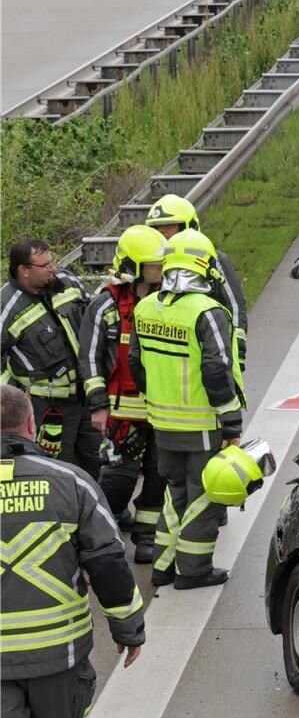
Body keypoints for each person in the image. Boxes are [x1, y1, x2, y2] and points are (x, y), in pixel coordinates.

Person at [0, 383, 146, 718]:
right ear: (31, 425)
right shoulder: (72, 482)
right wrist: (129, 628)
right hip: (57, 653)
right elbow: (107, 559)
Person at [131, 229, 245, 590]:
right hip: (202, 424)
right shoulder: (208, 311)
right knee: (204, 497)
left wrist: (158, 399)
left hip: (162, 423)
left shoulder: (145, 307)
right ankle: (193, 571)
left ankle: (163, 568)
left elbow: (137, 363)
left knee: (174, 492)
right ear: (205, 266)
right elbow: (217, 369)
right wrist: (231, 423)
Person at [83, 227, 168, 563]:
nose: (161, 271)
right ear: (134, 265)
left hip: (162, 409)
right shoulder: (106, 305)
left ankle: (147, 536)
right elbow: (89, 359)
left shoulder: (167, 301)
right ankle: (102, 529)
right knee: (119, 476)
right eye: (153, 265)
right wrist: (99, 405)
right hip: (120, 413)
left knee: (160, 474)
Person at [0, 240, 99, 480]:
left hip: (88, 398)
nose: (53, 268)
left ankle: (98, 513)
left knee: (97, 460)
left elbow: (94, 318)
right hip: (49, 409)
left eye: (52, 262)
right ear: (25, 270)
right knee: (55, 469)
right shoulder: (6, 306)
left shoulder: (69, 282)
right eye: (45, 265)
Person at [143, 195, 248, 376]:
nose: (162, 232)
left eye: (169, 226)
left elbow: (235, 304)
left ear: (188, 226)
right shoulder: (150, 264)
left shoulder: (212, 258)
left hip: (211, 343)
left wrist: (237, 350)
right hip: (173, 349)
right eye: (157, 228)